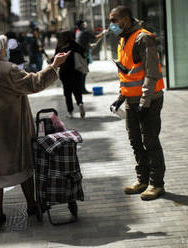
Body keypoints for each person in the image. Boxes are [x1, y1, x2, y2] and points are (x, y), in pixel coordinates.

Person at [0, 34, 70, 226]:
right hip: (12, 131)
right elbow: (34, 83)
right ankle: (31, 205)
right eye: (5, 47)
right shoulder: (8, 70)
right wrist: (54, 66)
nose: (7, 51)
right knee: (24, 169)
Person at [109, 5, 166, 200]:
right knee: (135, 142)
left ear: (125, 19)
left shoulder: (144, 38)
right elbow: (128, 73)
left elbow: (152, 73)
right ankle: (142, 180)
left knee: (150, 141)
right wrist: (121, 97)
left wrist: (145, 101)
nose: (112, 24)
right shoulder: (123, 39)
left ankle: (156, 184)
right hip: (131, 101)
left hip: (149, 99)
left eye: (114, 20)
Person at [54, 30, 86, 119]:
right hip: (76, 72)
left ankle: (70, 112)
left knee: (67, 93)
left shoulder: (60, 46)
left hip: (65, 73)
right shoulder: (74, 44)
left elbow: (56, 60)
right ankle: (80, 103)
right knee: (77, 90)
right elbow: (83, 52)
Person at [75, 20, 108, 94]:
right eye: (84, 23)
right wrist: (103, 33)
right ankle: (82, 90)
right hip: (83, 54)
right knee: (84, 72)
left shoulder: (78, 32)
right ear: (82, 25)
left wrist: (89, 45)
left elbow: (81, 42)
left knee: (82, 72)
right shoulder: (84, 32)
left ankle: (81, 89)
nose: (85, 24)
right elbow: (96, 37)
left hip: (80, 54)